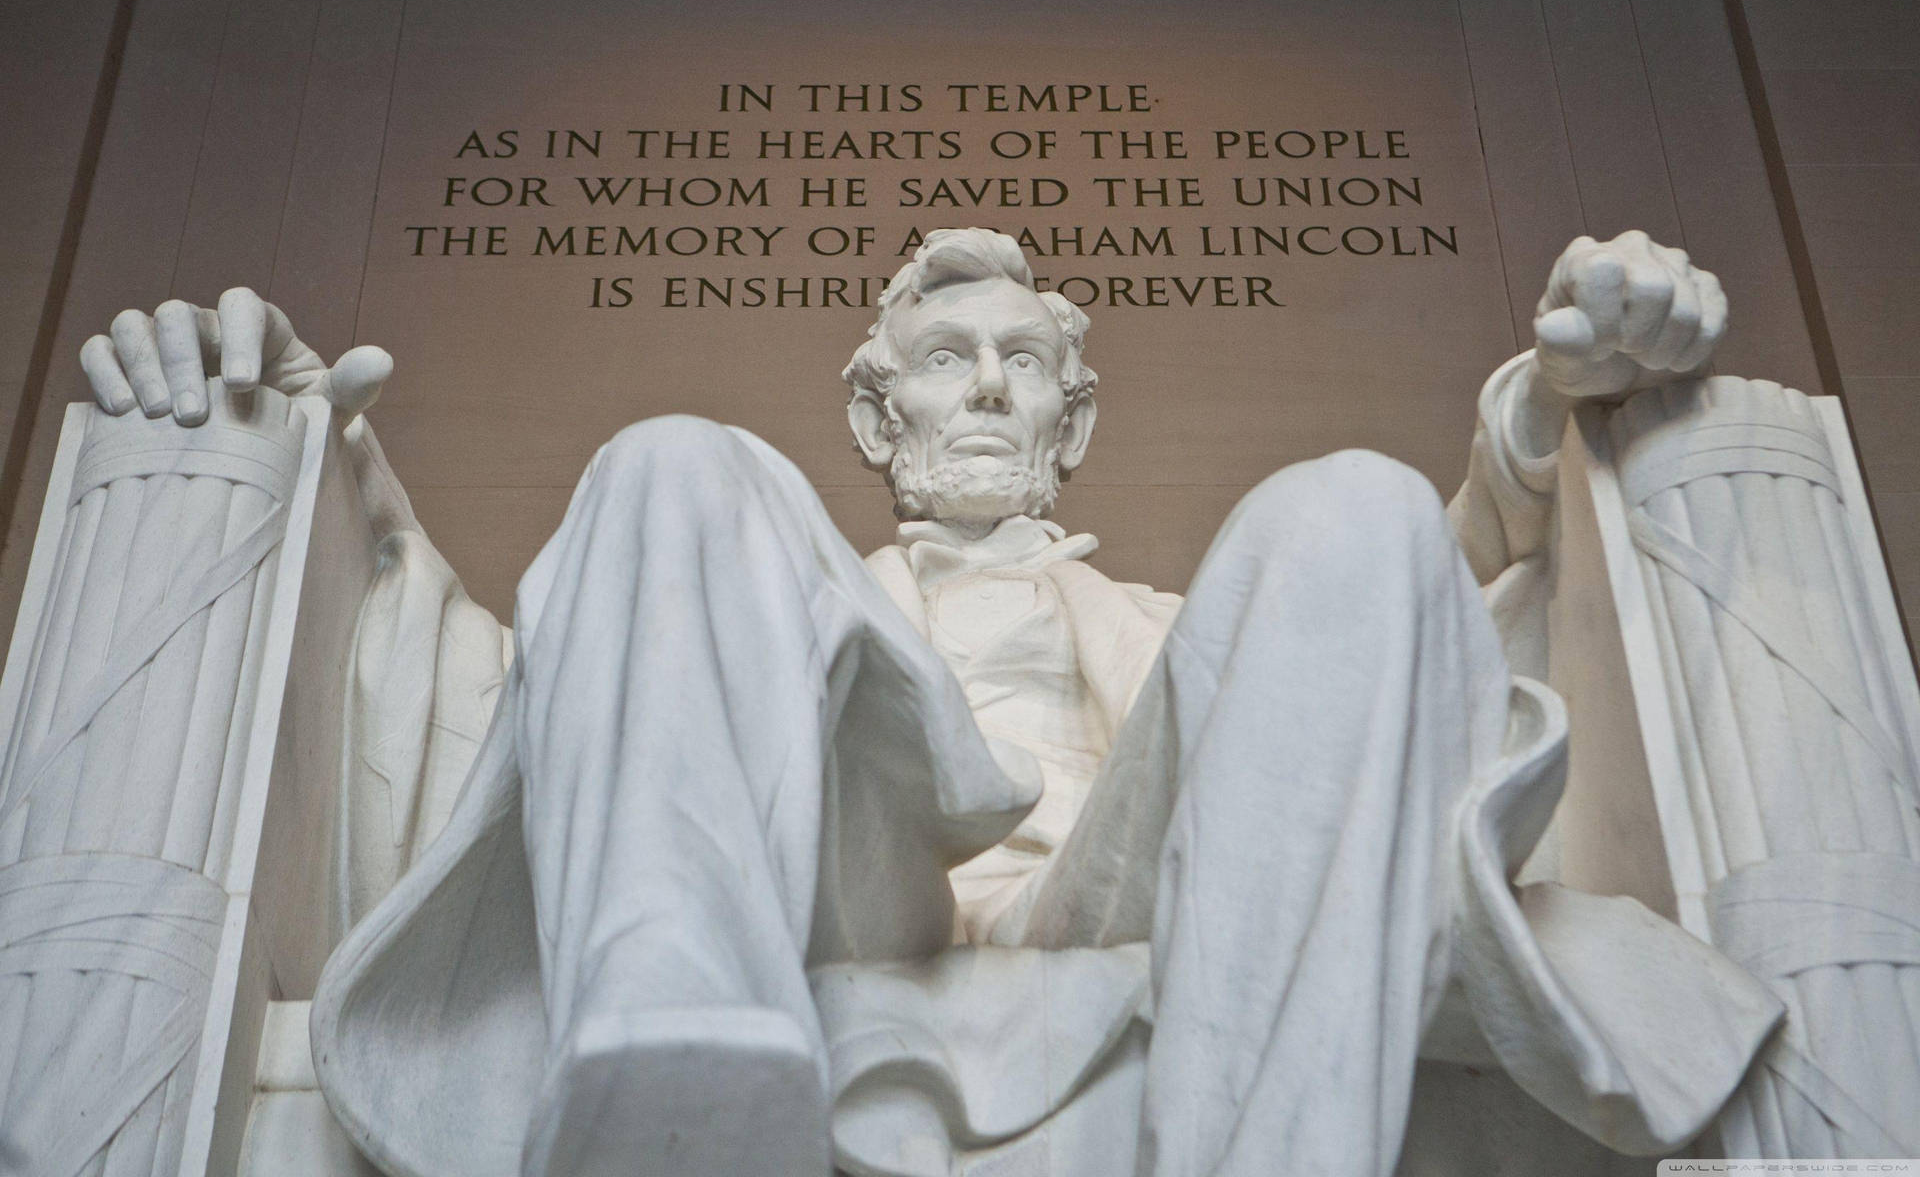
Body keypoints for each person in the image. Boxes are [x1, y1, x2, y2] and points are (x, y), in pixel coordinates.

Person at [84, 229, 1780, 1177]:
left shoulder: (1176, 622)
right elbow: (460, 685)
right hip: (844, 880)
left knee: (1354, 507)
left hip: (1122, 877)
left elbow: (1455, 622)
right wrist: (320, 457)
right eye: (941, 361)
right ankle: (677, 1069)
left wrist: (1546, 419)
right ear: (878, 422)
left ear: (1073, 416)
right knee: (671, 459)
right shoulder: (758, 583)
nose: (983, 382)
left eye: (1020, 360)